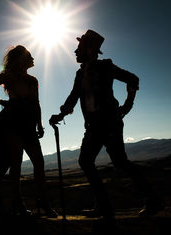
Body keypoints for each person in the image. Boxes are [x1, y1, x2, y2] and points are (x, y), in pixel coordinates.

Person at [49, 29, 163, 222]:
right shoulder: (79, 74)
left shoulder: (105, 66)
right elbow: (73, 97)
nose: (75, 51)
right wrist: (60, 114)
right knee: (88, 161)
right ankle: (104, 205)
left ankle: (151, 200)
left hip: (109, 122)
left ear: (90, 49)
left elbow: (133, 79)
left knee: (118, 162)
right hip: (93, 125)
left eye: (79, 48)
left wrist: (128, 104)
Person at [0, 45, 57, 217]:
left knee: (39, 164)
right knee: (16, 164)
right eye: (29, 55)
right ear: (20, 59)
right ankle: (19, 205)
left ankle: (43, 202)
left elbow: (36, 103)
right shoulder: (8, 76)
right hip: (13, 124)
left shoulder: (33, 80)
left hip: (29, 125)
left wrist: (39, 124)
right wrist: (0, 101)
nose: (33, 58)